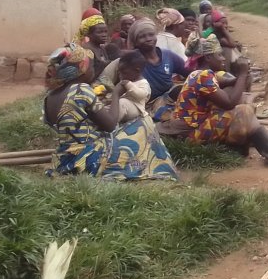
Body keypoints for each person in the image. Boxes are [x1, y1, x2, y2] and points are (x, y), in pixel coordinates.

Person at [159, 36, 268, 169]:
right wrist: (242, 74)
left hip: (191, 128)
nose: (223, 58)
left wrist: (239, 77)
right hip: (189, 134)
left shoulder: (200, 74)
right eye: (219, 55)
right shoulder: (203, 76)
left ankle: (242, 146)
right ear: (208, 57)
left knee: (241, 102)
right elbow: (229, 103)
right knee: (243, 111)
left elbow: (226, 83)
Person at [43, 43, 178, 180]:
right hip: (87, 158)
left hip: (63, 158)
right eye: (91, 66)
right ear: (81, 69)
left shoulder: (50, 96)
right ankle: (158, 168)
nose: (93, 70)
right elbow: (110, 125)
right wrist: (116, 95)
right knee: (144, 123)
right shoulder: (81, 89)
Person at [98, 18, 187, 121]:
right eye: (142, 37)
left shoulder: (168, 56)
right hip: (139, 105)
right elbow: (103, 79)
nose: (148, 39)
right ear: (135, 41)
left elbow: (189, 72)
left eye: (151, 34)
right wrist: (113, 92)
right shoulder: (129, 61)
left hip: (165, 101)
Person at [117, 50, 151, 122]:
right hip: (125, 108)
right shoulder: (127, 79)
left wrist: (129, 85)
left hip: (136, 108)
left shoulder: (143, 83)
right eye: (119, 73)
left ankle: (113, 122)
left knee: (122, 103)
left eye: (124, 73)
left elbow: (141, 95)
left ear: (137, 71)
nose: (121, 76)